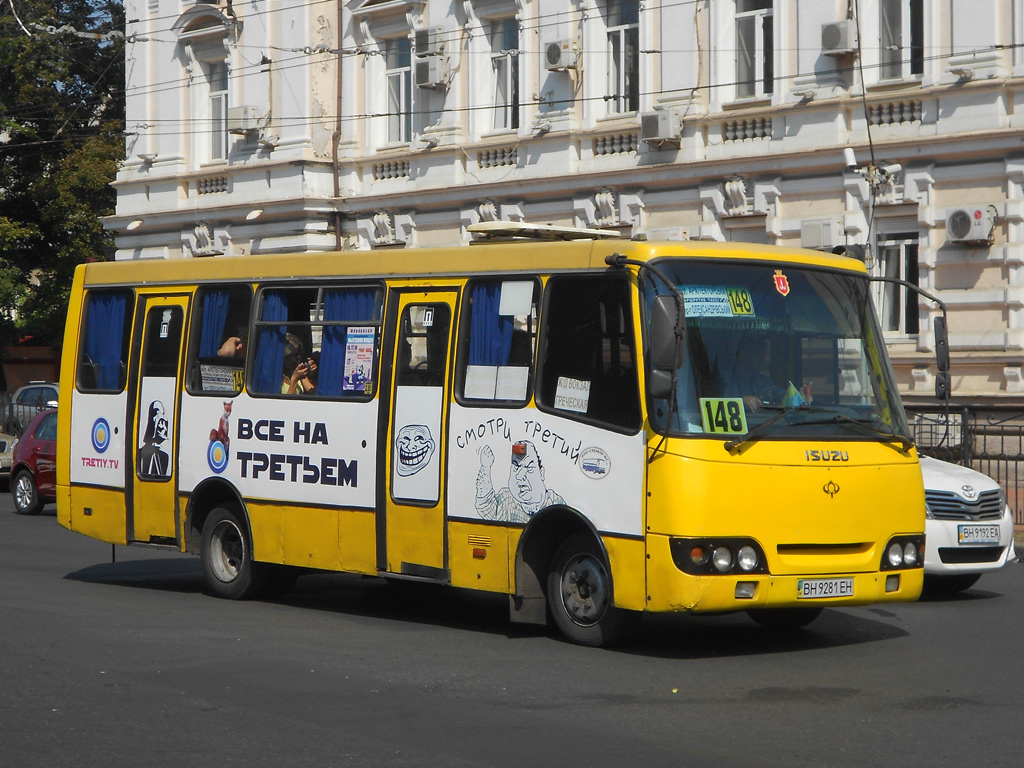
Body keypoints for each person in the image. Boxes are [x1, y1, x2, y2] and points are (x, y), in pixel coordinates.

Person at [734, 336, 784, 412]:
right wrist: (742, 401)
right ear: (743, 355)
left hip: (766, 422)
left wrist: (799, 396)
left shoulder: (763, 381)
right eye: (757, 356)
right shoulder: (726, 380)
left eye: (762, 357)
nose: (761, 361)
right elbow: (718, 404)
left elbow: (781, 395)